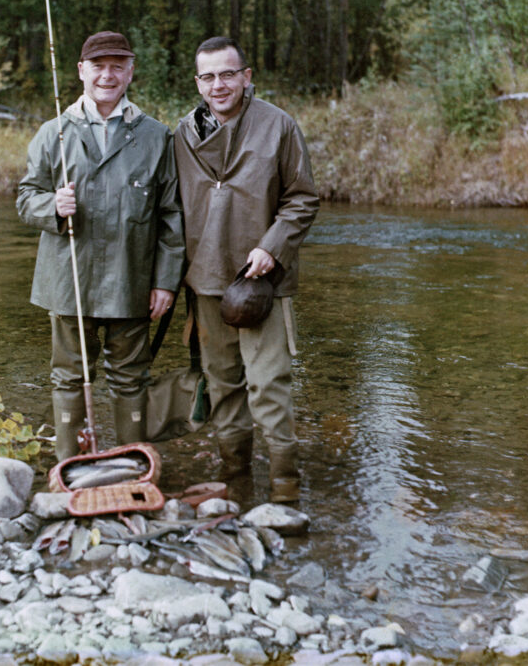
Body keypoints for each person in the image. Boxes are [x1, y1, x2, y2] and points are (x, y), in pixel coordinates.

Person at [17, 31, 185, 461]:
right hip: (68, 281)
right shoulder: (52, 132)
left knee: (132, 378)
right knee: (69, 377)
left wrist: (165, 282)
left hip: (133, 280)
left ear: (130, 71)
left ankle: (132, 463)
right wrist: (52, 204)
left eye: (117, 66)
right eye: (98, 66)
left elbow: (172, 215)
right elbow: (25, 198)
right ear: (81, 72)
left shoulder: (156, 136)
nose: (107, 75)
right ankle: (70, 465)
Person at [173, 36, 319, 503]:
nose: (219, 85)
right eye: (209, 76)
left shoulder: (279, 126)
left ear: (246, 76)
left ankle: (284, 488)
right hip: (204, 281)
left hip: (263, 284)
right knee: (223, 387)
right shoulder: (182, 134)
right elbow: (169, 208)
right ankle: (235, 484)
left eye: (228, 74)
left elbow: (303, 198)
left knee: (269, 385)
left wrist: (272, 248)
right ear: (198, 82)